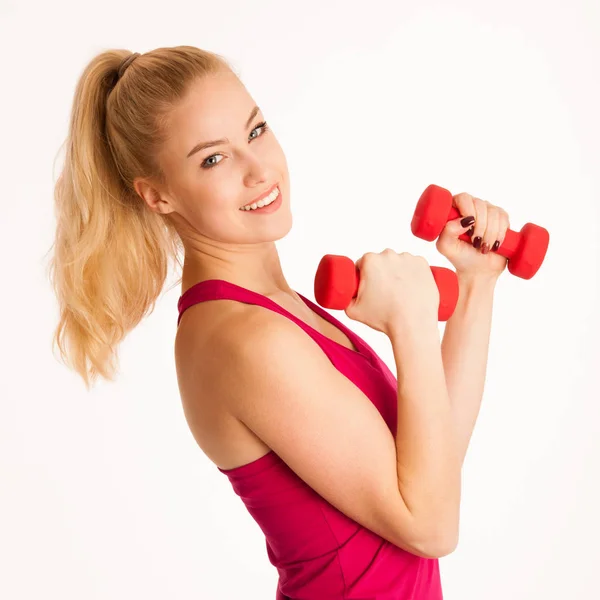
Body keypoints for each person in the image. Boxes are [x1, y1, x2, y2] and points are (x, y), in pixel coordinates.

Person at [48, 45, 510, 599]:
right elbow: (432, 527)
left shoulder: (274, 308)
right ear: (157, 194)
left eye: (257, 130)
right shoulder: (244, 338)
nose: (259, 168)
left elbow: (433, 472)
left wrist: (476, 285)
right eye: (213, 159)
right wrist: (410, 326)